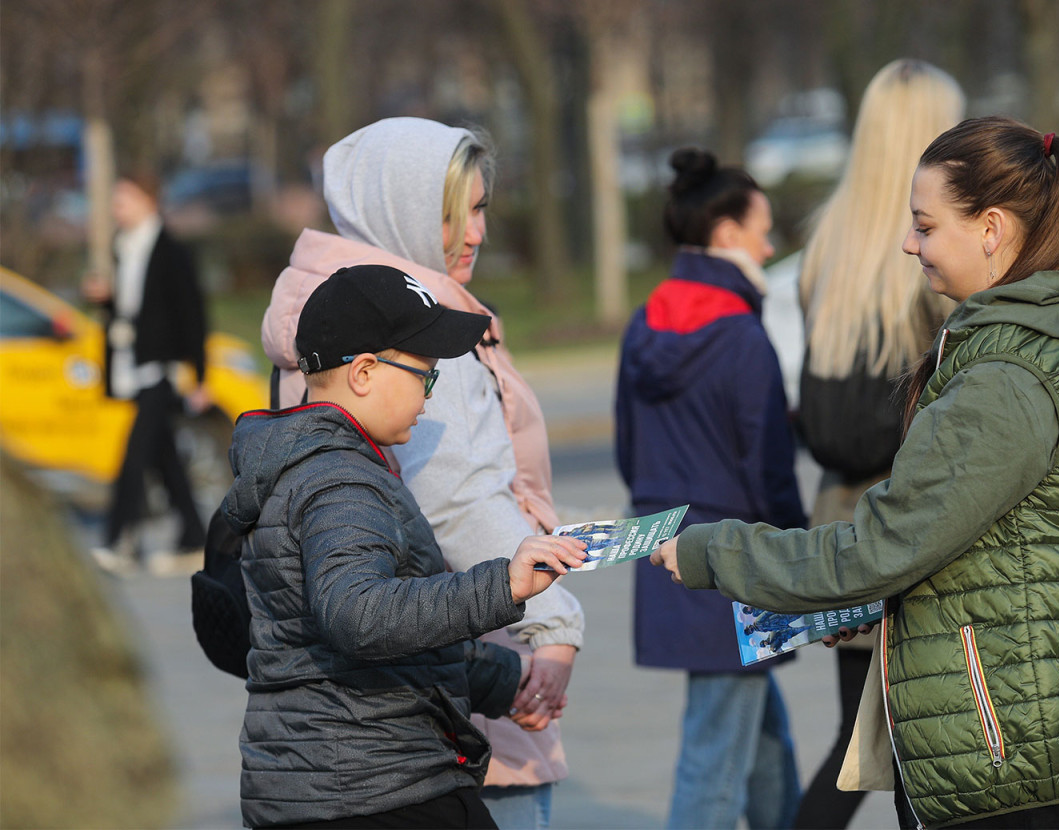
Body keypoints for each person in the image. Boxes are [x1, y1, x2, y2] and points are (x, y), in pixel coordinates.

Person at [652, 117, 1059, 830]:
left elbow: (886, 544)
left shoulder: (1003, 379)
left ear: (990, 229)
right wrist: (860, 607)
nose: (907, 243)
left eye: (924, 225)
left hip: (1009, 755)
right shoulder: (1012, 352)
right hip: (1012, 739)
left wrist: (712, 550)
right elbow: (975, 549)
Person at [261, 117, 584, 828]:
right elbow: (456, 502)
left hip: (387, 716)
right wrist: (549, 622)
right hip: (422, 722)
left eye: (480, 208)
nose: (476, 233)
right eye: (453, 213)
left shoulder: (327, 317)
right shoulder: (400, 331)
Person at [790, 58, 963, 830]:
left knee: (862, 740)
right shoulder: (934, 250)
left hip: (840, 518)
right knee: (922, 747)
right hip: (914, 521)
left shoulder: (830, 239)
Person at [615, 147, 807, 829]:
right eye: (763, 228)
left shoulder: (643, 323)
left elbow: (628, 451)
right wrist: (802, 551)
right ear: (727, 234)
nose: (771, 242)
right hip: (734, 558)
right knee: (714, 753)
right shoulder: (741, 335)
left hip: (664, 544)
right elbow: (770, 467)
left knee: (758, 737)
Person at [84, 172, 209, 576]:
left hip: (162, 367)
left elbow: (191, 313)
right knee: (164, 457)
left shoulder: (171, 251)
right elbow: (132, 311)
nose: (117, 209)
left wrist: (201, 373)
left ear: (148, 201)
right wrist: (108, 300)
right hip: (131, 365)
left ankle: (118, 538)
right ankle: (194, 537)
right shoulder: (123, 248)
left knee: (134, 454)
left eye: (124, 200)